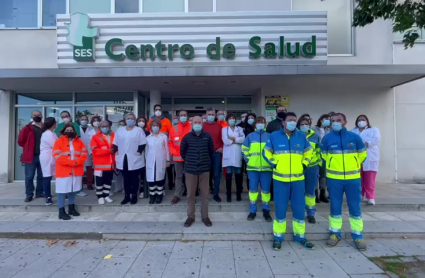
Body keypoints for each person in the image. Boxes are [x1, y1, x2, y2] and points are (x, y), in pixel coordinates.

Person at [263, 112, 315, 251]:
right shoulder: (274, 136)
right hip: (280, 179)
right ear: (284, 123)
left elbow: (309, 152)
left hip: (298, 179)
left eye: (294, 120)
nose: (293, 122)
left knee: (299, 208)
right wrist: (275, 164)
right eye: (290, 120)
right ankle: (278, 237)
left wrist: (304, 164)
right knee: (280, 208)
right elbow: (266, 152)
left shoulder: (301, 136)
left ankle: (300, 236)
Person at [321, 113, 367, 251]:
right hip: (334, 179)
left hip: (352, 179)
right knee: (335, 206)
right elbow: (324, 155)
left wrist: (353, 165)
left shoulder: (355, 138)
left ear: (345, 122)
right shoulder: (327, 138)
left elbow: (363, 154)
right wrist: (332, 165)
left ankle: (358, 235)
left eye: (338, 120)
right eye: (333, 121)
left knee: (355, 206)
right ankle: (335, 233)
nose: (335, 123)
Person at [180, 116, 214, 228]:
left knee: (205, 195)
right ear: (192, 123)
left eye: (199, 122)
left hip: (204, 170)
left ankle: (205, 217)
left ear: (202, 123)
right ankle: (190, 217)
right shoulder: (187, 137)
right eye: (195, 122)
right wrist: (190, 161)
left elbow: (211, 152)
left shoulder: (208, 136)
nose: (197, 124)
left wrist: (206, 163)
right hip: (190, 170)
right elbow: (183, 152)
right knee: (190, 195)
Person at [52, 123, 87, 220]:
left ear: (74, 132)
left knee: (72, 190)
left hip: (76, 170)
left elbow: (84, 154)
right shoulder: (58, 141)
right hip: (63, 171)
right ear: (63, 131)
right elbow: (56, 156)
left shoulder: (79, 142)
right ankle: (61, 211)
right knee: (61, 192)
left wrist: (76, 162)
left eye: (71, 130)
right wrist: (70, 163)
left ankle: (71, 208)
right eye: (67, 130)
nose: (69, 132)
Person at [242, 116, 272, 222]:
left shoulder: (269, 136)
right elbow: (244, 149)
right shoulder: (250, 136)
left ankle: (266, 210)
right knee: (253, 190)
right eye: (258, 122)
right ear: (255, 124)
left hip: (266, 169)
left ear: (265, 124)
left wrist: (271, 162)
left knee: (265, 191)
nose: (260, 123)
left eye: (262, 122)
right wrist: (248, 160)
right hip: (253, 168)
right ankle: (252, 211)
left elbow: (273, 151)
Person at [113, 112, 147, 205]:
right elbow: (115, 142)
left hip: (135, 158)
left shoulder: (139, 130)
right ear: (125, 120)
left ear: (135, 120)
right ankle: (127, 196)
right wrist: (115, 150)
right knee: (126, 178)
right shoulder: (120, 130)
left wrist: (139, 151)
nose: (130, 120)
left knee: (134, 178)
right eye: (128, 118)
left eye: (132, 118)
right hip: (123, 158)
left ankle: (134, 196)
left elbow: (143, 142)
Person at [351, 114, 381, 206]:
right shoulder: (353, 131)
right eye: (359, 120)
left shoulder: (374, 130)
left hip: (371, 157)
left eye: (363, 120)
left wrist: (366, 144)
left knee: (370, 178)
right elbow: (351, 142)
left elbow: (376, 140)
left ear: (367, 121)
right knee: (358, 178)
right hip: (357, 157)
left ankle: (370, 197)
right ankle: (360, 195)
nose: (361, 121)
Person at [297, 116, 321, 224]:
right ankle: (300, 212)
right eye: (302, 124)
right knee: (299, 191)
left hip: (312, 167)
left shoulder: (315, 136)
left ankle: (311, 213)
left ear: (309, 125)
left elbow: (319, 151)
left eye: (306, 124)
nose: (304, 126)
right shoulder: (295, 136)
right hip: (299, 167)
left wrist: (319, 164)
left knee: (310, 191)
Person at [18, 110, 44, 202]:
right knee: (29, 176)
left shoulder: (45, 128)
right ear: (32, 116)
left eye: (38, 115)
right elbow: (20, 141)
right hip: (31, 156)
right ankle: (29, 194)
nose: (37, 116)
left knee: (41, 176)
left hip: (43, 156)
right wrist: (28, 148)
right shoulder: (27, 128)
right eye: (35, 115)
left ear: (41, 116)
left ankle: (40, 192)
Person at [169, 110, 192, 205]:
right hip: (177, 157)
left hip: (189, 157)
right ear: (178, 117)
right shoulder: (173, 128)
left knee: (190, 177)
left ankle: (190, 196)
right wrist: (173, 152)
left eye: (185, 115)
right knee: (178, 177)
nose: (183, 116)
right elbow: (170, 142)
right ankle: (177, 195)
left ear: (187, 116)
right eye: (181, 115)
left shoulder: (191, 127)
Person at [90, 120, 116, 205]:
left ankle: (106, 195)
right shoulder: (95, 137)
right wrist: (109, 151)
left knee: (108, 181)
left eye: (106, 126)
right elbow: (95, 150)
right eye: (103, 126)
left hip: (110, 164)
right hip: (100, 165)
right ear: (100, 128)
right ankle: (100, 196)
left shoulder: (113, 136)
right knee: (99, 182)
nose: (105, 128)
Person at [222, 114, 245, 202]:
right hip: (228, 155)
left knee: (238, 176)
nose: (232, 120)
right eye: (230, 118)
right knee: (228, 176)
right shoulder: (224, 129)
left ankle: (238, 193)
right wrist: (236, 140)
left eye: (233, 118)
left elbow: (243, 139)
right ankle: (229, 194)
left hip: (237, 154)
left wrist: (233, 139)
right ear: (227, 120)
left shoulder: (240, 129)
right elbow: (226, 141)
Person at [146, 119, 170, 204]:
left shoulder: (163, 137)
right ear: (151, 127)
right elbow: (146, 150)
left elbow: (167, 149)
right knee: (151, 179)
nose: (155, 127)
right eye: (153, 125)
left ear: (159, 127)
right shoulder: (148, 138)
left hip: (161, 160)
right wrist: (146, 161)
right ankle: (152, 196)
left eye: (157, 125)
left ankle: (159, 196)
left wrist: (168, 160)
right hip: (150, 161)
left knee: (159, 179)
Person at [203, 107, 224, 202]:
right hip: (205, 153)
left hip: (216, 153)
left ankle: (216, 194)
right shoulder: (202, 125)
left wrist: (222, 148)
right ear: (206, 116)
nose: (211, 116)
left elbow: (222, 139)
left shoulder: (219, 126)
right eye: (209, 114)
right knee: (205, 175)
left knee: (216, 174)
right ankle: (205, 194)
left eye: (212, 114)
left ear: (215, 116)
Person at [311, 114, 332, 204]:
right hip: (316, 154)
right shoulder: (313, 129)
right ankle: (315, 193)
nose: (328, 121)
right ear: (321, 120)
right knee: (316, 174)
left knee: (323, 175)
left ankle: (322, 193)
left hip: (325, 154)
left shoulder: (329, 130)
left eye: (329, 119)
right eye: (326, 119)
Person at [39, 117, 58, 206]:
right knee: (47, 176)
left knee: (56, 175)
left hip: (52, 155)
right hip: (47, 156)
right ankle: (48, 196)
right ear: (53, 124)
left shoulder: (52, 133)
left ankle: (62, 192)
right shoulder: (48, 134)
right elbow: (56, 145)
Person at [79, 115, 96, 192]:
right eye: (82, 119)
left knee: (89, 169)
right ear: (79, 120)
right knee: (80, 169)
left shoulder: (91, 129)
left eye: (86, 119)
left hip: (89, 151)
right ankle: (80, 185)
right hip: (79, 152)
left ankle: (89, 184)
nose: (84, 121)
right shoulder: (77, 129)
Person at [136, 116, 150, 198]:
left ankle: (142, 190)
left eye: (143, 121)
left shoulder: (147, 133)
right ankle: (134, 190)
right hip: (135, 155)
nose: (141, 122)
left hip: (144, 156)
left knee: (143, 174)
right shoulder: (134, 132)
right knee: (135, 175)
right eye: (139, 120)